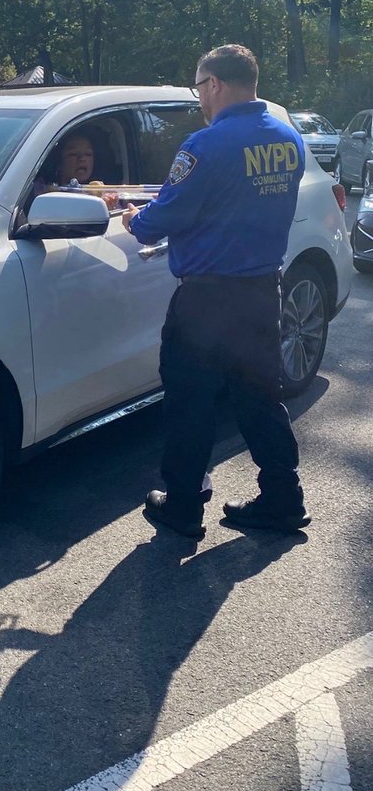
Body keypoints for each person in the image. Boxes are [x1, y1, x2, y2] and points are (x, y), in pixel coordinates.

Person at [122, 44, 310, 540]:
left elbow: (164, 218)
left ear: (215, 84)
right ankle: (284, 499)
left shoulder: (205, 145)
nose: (200, 98)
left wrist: (134, 219)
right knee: (261, 398)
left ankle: (183, 507)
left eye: (199, 88)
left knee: (190, 402)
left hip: (206, 303)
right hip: (261, 293)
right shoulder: (288, 138)